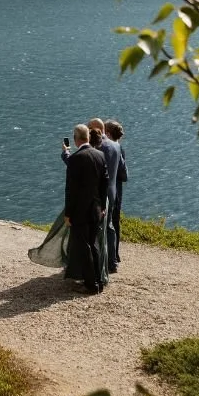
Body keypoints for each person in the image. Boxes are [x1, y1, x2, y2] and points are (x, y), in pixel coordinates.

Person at [63, 124, 108, 294]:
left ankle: (91, 284)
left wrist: (68, 213)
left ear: (76, 139)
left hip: (80, 211)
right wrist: (102, 206)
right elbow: (104, 183)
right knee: (93, 244)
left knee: (84, 247)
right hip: (96, 209)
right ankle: (99, 280)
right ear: (88, 137)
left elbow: (71, 190)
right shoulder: (100, 155)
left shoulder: (75, 159)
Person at [86, 118, 120, 282]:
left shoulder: (99, 147)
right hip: (112, 191)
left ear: (96, 129)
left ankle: (100, 265)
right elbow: (121, 171)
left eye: (89, 127)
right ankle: (113, 262)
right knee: (110, 227)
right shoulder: (116, 145)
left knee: (98, 229)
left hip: (100, 194)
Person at [105, 118, 128, 265]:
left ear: (107, 133)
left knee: (109, 224)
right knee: (115, 223)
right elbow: (124, 175)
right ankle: (116, 254)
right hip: (118, 191)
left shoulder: (109, 149)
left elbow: (123, 174)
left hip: (110, 191)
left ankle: (110, 256)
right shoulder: (120, 148)